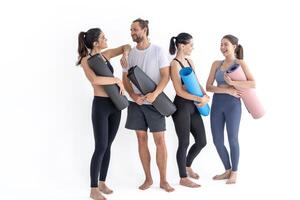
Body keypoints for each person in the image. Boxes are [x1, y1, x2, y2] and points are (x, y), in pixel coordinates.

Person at [77, 28, 130, 200]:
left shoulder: (104, 56)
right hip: (100, 106)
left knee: (108, 145)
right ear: (95, 43)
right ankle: (93, 189)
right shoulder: (86, 60)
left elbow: (126, 46)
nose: (106, 39)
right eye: (103, 37)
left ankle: (102, 182)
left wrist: (125, 55)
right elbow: (95, 80)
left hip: (115, 105)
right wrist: (116, 80)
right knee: (100, 146)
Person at [121, 18, 174, 192]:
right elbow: (125, 79)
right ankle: (148, 178)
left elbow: (165, 76)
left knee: (160, 140)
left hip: (155, 102)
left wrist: (155, 94)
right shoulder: (129, 54)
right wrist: (133, 95)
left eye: (135, 29)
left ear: (145, 30)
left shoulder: (158, 51)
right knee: (141, 140)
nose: (132, 32)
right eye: (131, 30)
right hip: (136, 103)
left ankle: (164, 180)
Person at [206, 34, 256, 184]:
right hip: (217, 105)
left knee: (232, 139)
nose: (222, 48)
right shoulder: (216, 64)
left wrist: (233, 82)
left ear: (234, 47)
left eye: (225, 44)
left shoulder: (240, 63)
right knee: (217, 140)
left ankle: (234, 172)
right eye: (221, 44)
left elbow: (253, 83)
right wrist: (227, 89)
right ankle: (227, 170)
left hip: (233, 106)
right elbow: (208, 86)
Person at [169, 33, 209, 188]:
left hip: (193, 105)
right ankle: (183, 177)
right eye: (191, 45)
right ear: (181, 45)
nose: (193, 47)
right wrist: (198, 99)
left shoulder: (190, 62)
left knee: (201, 141)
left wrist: (204, 95)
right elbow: (179, 90)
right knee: (184, 142)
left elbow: (196, 83)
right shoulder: (174, 64)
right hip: (181, 107)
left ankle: (187, 165)